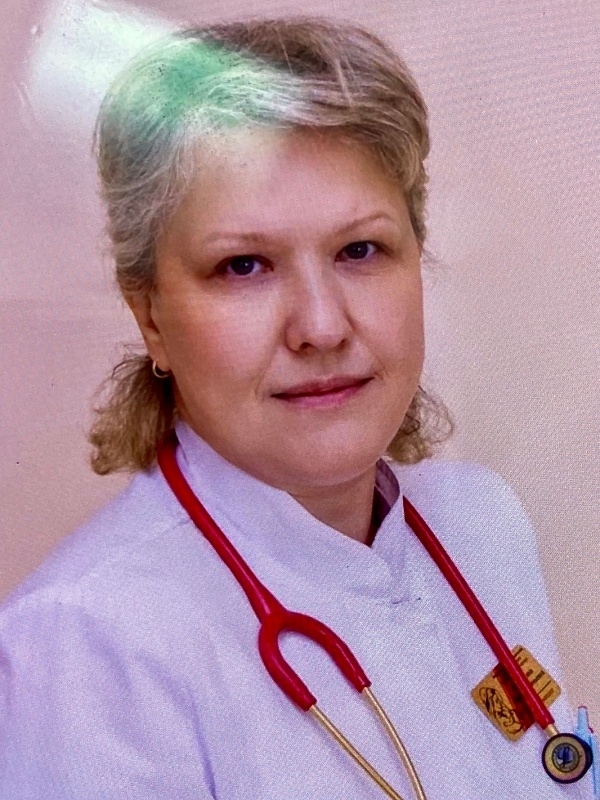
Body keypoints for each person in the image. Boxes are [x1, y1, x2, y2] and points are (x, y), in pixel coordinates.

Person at [0, 15, 591, 800]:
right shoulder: (86, 647)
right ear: (150, 317)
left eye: (360, 250)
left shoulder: (481, 525)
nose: (321, 326)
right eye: (244, 266)